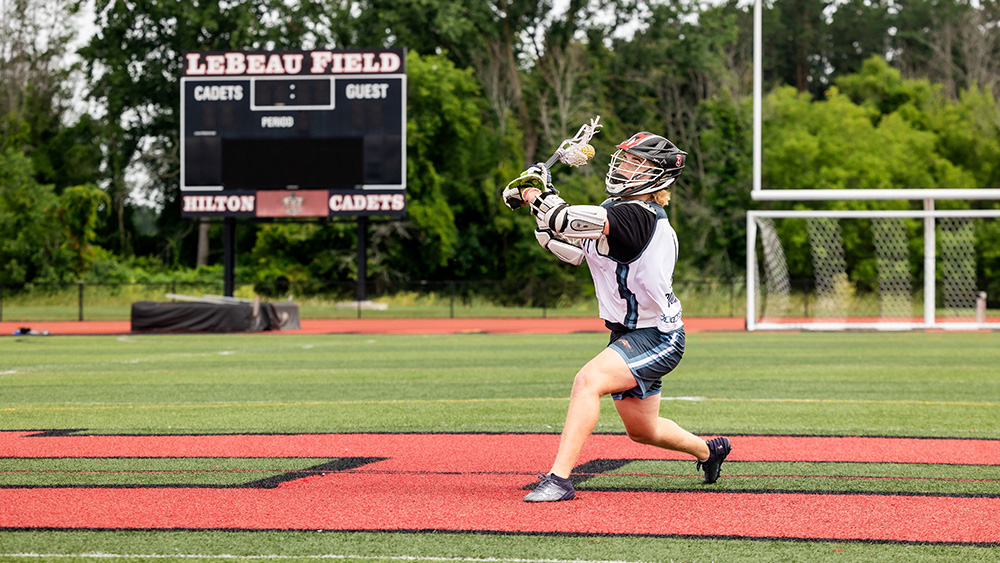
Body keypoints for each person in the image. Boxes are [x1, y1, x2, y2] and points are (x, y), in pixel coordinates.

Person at [502, 132, 732, 502]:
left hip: (658, 335)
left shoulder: (637, 214)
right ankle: (710, 451)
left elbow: (563, 217)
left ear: (658, 175)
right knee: (643, 431)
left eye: (634, 162)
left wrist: (534, 193)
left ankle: (559, 479)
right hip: (628, 332)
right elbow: (574, 250)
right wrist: (536, 210)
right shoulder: (618, 209)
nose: (623, 167)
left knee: (587, 381)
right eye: (624, 160)